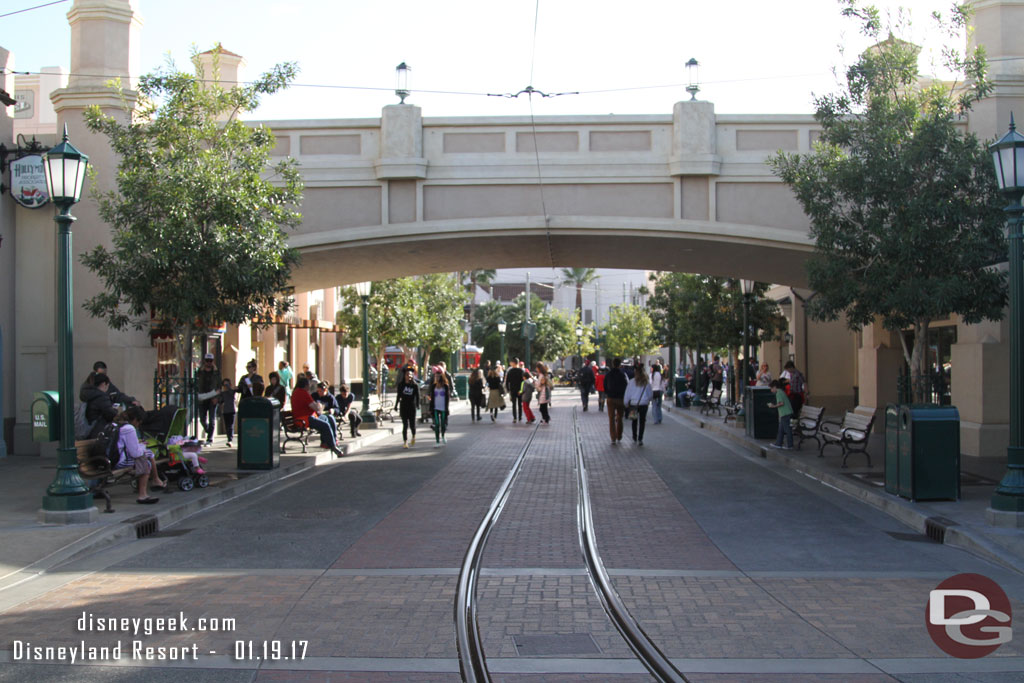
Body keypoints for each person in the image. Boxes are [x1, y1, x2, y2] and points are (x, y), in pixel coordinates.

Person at [115, 406, 169, 504]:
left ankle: (156, 480)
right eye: (139, 422)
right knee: (146, 459)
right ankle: (143, 494)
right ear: (135, 419)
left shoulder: (117, 425)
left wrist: (139, 445)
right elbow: (135, 453)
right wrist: (142, 446)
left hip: (114, 458)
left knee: (148, 454)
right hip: (120, 461)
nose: (139, 425)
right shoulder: (129, 428)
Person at [291, 377, 343, 457]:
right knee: (325, 425)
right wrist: (319, 406)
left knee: (329, 418)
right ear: (305, 385)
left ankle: (327, 442)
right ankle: (333, 446)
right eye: (308, 385)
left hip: (308, 417)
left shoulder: (296, 392)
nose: (309, 387)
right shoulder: (303, 393)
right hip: (305, 418)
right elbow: (315, 407)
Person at [624, 365, 654, 446]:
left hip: (633, 404)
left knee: (634, 421)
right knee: (642, 421)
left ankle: (634, 437)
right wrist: (649, 400)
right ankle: (640, 438)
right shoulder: (646, 382)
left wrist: (626, 403)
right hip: (644, 404)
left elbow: (627, 393)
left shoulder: (631, 382)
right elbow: (650, 394)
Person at [196, 353, 221, 445]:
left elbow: (219, 386)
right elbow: (196, 383)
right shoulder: (200, 371)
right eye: (207, 361)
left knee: (212, 419)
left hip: (213, 397)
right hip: (202, 397)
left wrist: (217, 398)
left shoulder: (216, 372)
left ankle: (210, 438)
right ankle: (208, 430)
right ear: (204, 361)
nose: (209, 363)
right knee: (202, 418)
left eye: (210, 361)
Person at [604, 357, 629, 445]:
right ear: (620, 364)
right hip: (620, 398)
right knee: (619, 417)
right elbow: (626, 386)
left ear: (613, 364)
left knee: (611, 418)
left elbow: (605, 386)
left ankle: (613, 437)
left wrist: (608, 393)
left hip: (611, 398)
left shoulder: (608, 374)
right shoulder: (623, 374)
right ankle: (619, 435)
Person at [396, 368, 420, 448]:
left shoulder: (415, 385)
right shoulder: (401, 385)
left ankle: (413, 436)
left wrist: (417, 405)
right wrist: (396, 405)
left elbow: (418, 396)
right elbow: (398, 395)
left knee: (412, 425)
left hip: (411, 406)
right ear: (404, 375)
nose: (408, 376)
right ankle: (405, 442)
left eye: (410, 374)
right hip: (403, 406)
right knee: (405, 425)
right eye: (407, 374)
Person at [768, 379, 794, 449]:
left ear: (775, 387)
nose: (771, 390)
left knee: (787, 430)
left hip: (785, 413)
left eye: (771, 388)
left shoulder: (778, 393)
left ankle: (790, 445)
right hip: (785, 413)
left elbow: (781, 403)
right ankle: (778, 443)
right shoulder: (781, 391)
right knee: (781, 430)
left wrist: (773, 406)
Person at [429, 367, 452, 446]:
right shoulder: (433, 386)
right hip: (435, 407)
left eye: (438, 376)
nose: (437, 378)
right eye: (436, 376)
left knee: (443, 424)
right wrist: (430, 408)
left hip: (443, 408)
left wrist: (447, 408)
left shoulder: (445, 386)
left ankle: (443, 435)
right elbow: (432, 398)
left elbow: (447, 398)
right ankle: (437, 441)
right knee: (437, 424)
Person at [504, 358, 525, 423]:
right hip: (520, 390)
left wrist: (508, 389)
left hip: (513, 390)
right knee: (520, 404)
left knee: (514, 404)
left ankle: (515, 418)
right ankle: (520, 417)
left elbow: (507, 382)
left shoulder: (510, 371)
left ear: (513, 363)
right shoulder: (521, 371)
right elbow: (524, 381)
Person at [217, 379, 237, 448]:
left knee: (230, 426)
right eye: (224, 385)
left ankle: (230, 440)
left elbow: (232, 392)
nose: (225, 386)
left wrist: (228, 386)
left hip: (232, 410)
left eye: (227, 384)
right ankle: (229, 438)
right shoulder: (223, 393)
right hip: (225, 411)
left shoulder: (232, 391)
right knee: (227, 426)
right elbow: (220, 401)